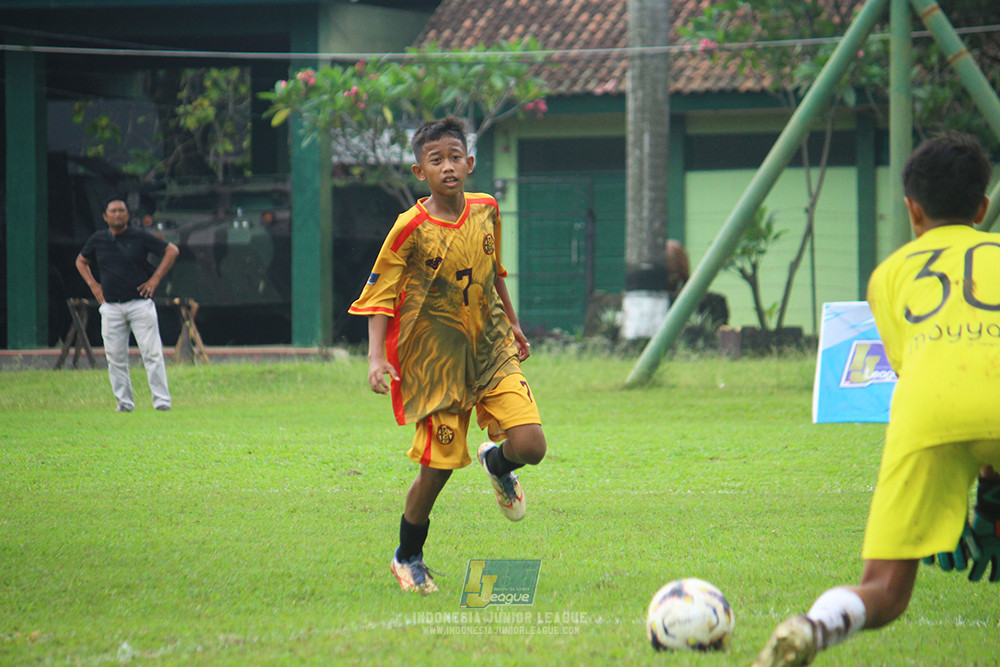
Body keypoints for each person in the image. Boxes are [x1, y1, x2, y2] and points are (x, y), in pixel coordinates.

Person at [753, 131, 1000, 666]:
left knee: (884, 587)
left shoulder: (889, 275)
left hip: (927, 414)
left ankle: (814, 627)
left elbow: (928, 372)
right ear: (982, 208)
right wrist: (992, 489)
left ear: (913, 210)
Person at [348, 117, 547, 595]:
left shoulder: (487, 209)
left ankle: (498, 464)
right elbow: (379, 296)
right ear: (421, 172)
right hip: (437, 364)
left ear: (470, 163)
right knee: (436, 472)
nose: (448, 167)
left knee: (532, 446)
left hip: (492, 348)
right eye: (436, 160)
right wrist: (375, 358)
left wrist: (513, 322)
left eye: (455, 157)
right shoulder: (410, 229)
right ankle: (407, 555)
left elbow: (494, 271)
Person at [75, 198, 179, 412]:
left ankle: (162, 402)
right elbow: (81, 261)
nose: (118, 214)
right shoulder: (98, 239)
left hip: (139, 304)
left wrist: (155, 279)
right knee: (115, 357)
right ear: (105, 216)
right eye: (113, 211)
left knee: (152, 354)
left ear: (128, 215)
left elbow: (171, 250)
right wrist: (94, 285)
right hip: (111, 306)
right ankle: (124, 403)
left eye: (121, 211)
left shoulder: (139, 236)